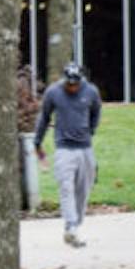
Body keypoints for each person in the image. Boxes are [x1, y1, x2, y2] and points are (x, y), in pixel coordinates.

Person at [35, 60, 103, 248]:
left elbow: (96, 112)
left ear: (81, 81)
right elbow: (44, 117)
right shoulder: (53, 93)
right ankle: (71, 226)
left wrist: (91, 130)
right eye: (69, 84)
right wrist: (37, 142)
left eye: (75, 84)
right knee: (66, 187)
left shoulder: (91, 92)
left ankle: (75, 224)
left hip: (85, 148)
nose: (72, 87)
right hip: (64, 148)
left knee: (83, 190)